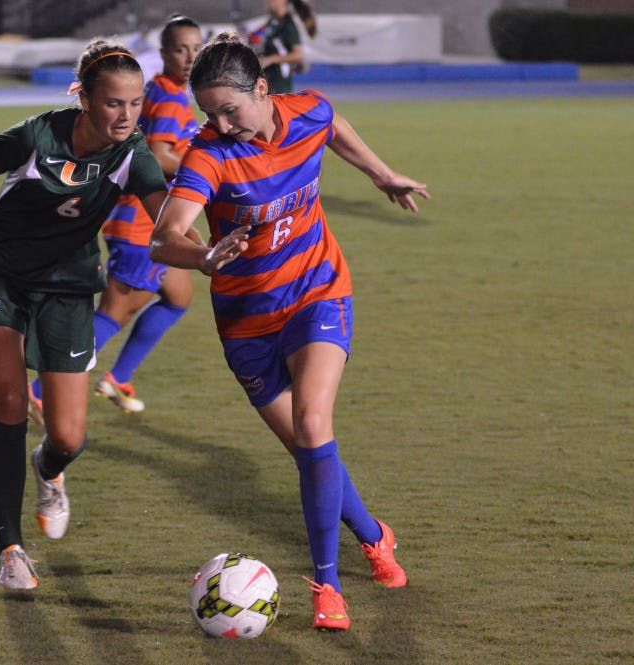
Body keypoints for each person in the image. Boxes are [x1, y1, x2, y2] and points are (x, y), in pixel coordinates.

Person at [150, 34, 429, 631]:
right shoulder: (210, 154)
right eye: (209, 113)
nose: (220, 124)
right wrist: (202, 258)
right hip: (246, 325)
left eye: (231, 109)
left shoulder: (307, 111)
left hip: (317, 292)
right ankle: (377, 536)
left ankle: (326, 587)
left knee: (311, 422)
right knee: (311, 449)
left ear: (263, 90)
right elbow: (164, 235)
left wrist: (380, 174)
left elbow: (335, 124)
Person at [0, 40, 167, 590]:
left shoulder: (134, 154)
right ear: (83, 98)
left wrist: (204, 253)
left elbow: (168, 218)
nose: (126, 115)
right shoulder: (37, 136)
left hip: (69, 287)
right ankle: (9, 549)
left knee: (68, 435)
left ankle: (49, 469)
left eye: (136, 103)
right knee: (9, 400)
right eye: (113, 103)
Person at [28, 15, 203, 419]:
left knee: (179, 296)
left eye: (197, 48)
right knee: (115, 311)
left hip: (141, 216)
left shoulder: (159, 90)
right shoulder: (171, 99)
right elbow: (159, 156)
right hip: (142, 223)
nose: (192, 56)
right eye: (182, 49)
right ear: (164, 54)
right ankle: (38, 390)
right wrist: (204, 168)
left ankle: (117, 379)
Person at [258, 0, 315, 94]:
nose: (268, 2)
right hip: (267, 79)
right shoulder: (272, 22)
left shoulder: (287, 25)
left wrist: (272, 59)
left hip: (279, 84)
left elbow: (298, 54)